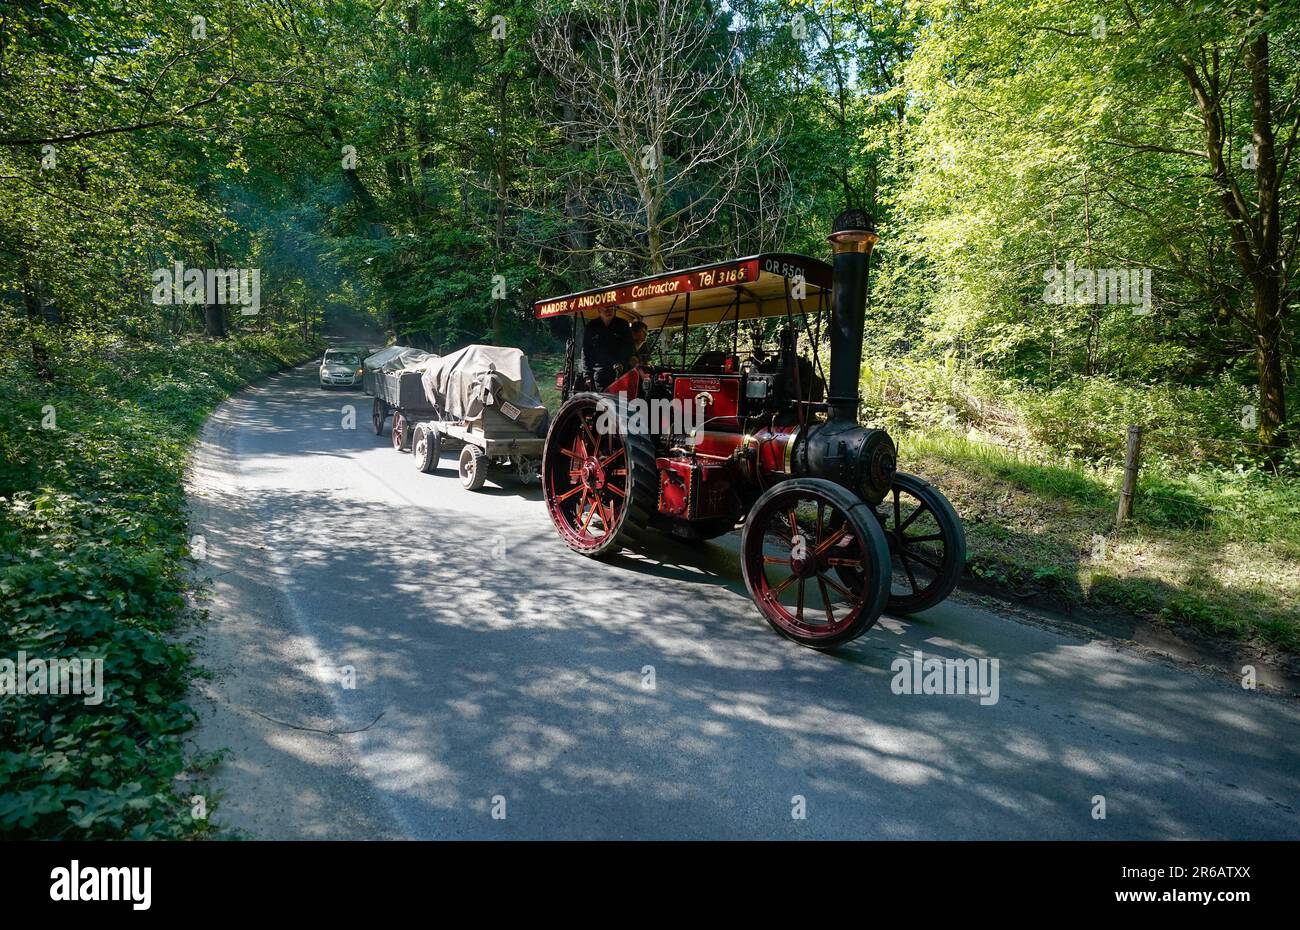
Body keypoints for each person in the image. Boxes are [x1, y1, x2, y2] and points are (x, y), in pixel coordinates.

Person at [582, 305, 632, 389]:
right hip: (600, 374)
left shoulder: (623, 324)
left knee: (620, 400)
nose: (609, 311)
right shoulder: (591, 326)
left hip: (621, 373)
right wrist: (587, 375)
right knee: (603, 401)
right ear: (599, 310)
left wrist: (622, 363)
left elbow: (629, 347)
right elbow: (585, 351)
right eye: (606, 308)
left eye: (611, 308)